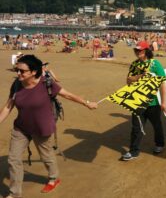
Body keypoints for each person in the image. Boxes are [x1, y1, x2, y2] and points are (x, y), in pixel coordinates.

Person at [0, 55, 98, 198]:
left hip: (42, 128)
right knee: (13, 159)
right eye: (17, 70)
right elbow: (8, 107)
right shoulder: (16, 85)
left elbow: (68, 95)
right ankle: (15, 193)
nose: (18, 73)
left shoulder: (46, 83)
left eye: (22, 71)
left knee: (46, 156)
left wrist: (87, 103)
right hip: (21, 128)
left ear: (33, 72)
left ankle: (53, 178)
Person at [122, 41, 166, 161]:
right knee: (136, 127)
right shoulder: (134, 65)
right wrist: (139, 76)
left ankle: (159, 144)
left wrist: (163, 102)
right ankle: (133, 151)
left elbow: (162, 83)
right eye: (136, 50)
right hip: (137, 101)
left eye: (140, 50)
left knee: (157, 125)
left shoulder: (155, 64)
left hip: (153, 102)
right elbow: (128, 81)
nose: (138, 52)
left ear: (146, 51)